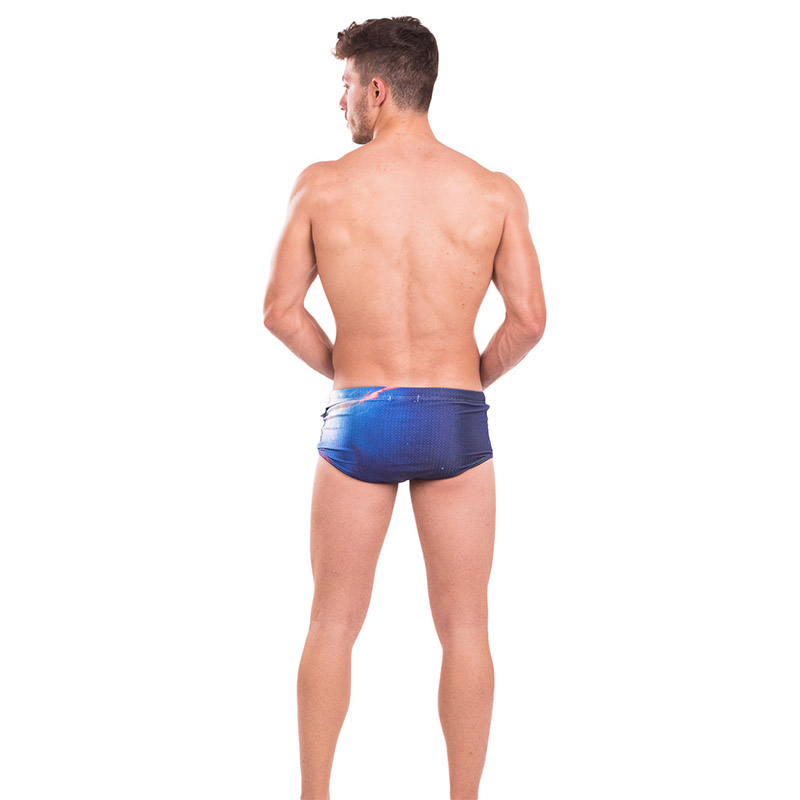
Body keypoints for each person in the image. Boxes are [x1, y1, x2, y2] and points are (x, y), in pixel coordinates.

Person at [263, 16, 546, 800]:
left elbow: (279, 311)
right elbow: (528, 321)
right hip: (455, 417)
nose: (342, 101)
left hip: (359, 413)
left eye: (347, 85)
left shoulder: (321, 186)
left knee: (331, 622)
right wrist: (468, 381)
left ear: (379, 90)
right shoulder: (493, 192)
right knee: (466, 627)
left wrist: (348, 372)